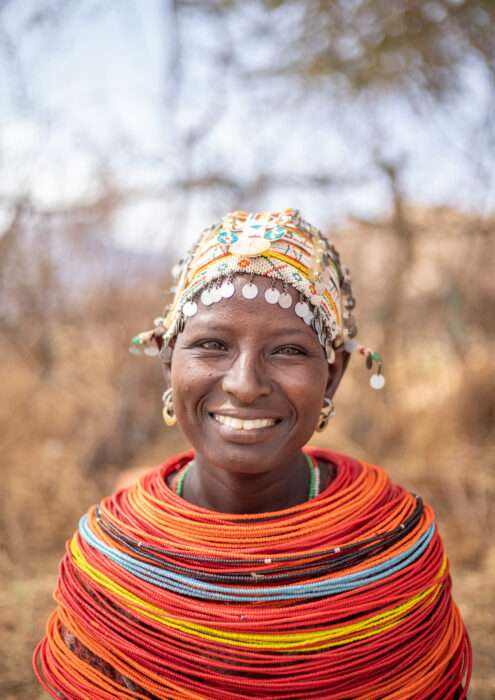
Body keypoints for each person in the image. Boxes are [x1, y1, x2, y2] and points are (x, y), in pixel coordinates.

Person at [34, 209, 471, 699]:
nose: (244, 385)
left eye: (288, 351)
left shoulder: (394, 552)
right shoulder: (110, 564)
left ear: (333, 374)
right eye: (212, 344)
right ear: (167, 361)